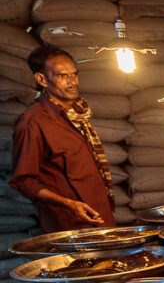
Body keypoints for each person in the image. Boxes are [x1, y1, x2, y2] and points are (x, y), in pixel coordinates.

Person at [10, 46, 115, 232]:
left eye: (74, 75)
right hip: (70, 227)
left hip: (101, 219)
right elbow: (24, 181)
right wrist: (69, 204)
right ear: (42, 79)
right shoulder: (33, 123)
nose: (72, 81)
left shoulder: (79, 115)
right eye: (62, 76)